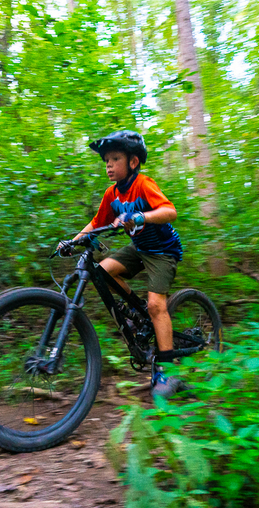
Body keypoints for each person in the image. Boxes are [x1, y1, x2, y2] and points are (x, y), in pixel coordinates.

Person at [62, 130, 185, 399]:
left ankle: (168, 369)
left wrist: (140, 217)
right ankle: (135, 312)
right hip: (138, 248)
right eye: (106, 160)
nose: (108, 165)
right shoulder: (112, 194)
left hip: (163, 251)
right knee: (102, 272)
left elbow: (170, 212)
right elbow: (96, 223)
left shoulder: (143, 184)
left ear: (133, 162)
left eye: (115, 158)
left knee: (156, 305)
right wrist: (71, 242)